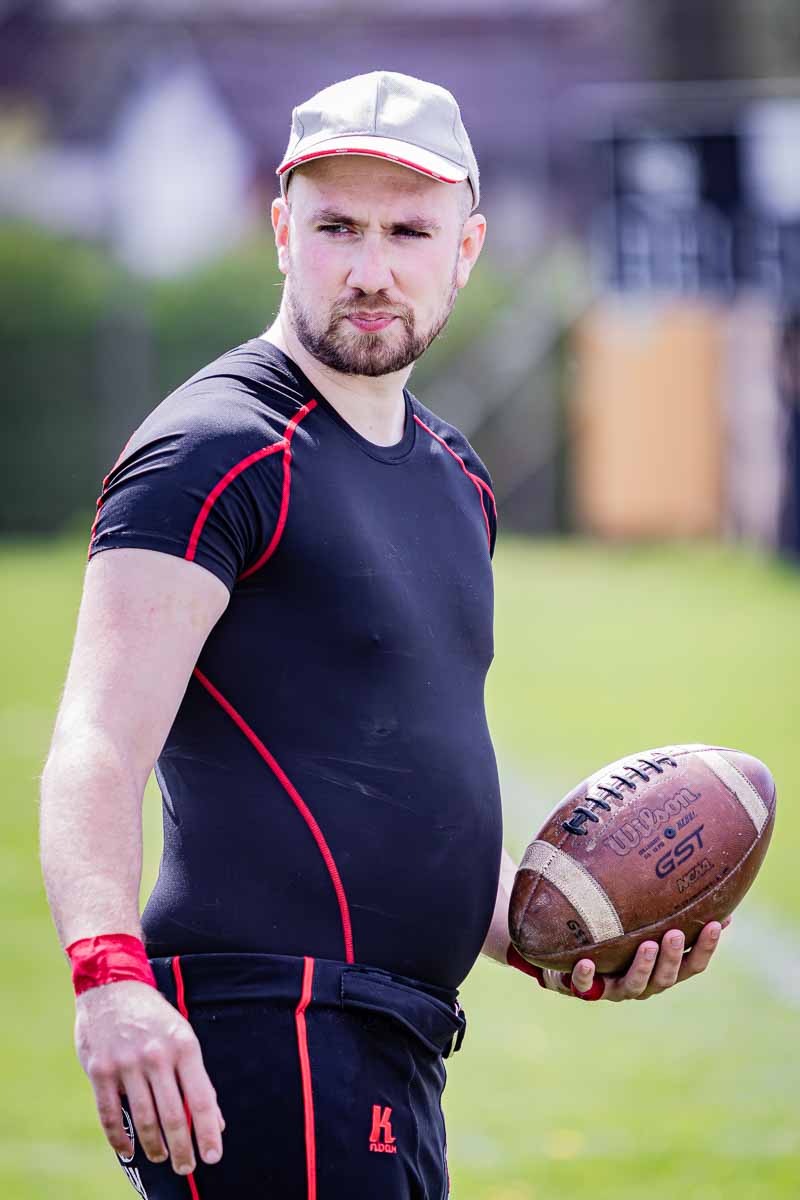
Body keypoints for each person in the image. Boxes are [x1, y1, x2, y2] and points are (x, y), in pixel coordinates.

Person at [40, 71, 727, 1200]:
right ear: (281, 232)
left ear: (466, 250)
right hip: (265, 1028)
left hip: (392, 1041)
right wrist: (109, 979)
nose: (370, 270)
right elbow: (97, 743)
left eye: (409, 232)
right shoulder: (214, 450)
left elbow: (392, 791)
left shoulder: (457, 478)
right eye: (336, 229)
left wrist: (564, 930)